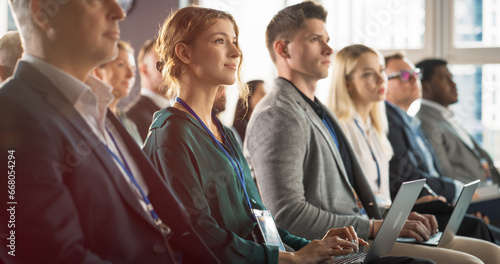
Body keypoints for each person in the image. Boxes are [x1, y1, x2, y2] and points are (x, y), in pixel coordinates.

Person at [140, 5, 402, 264]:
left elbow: (257, 220)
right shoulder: (172, 133)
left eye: (235, 41)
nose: (236, 52)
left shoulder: (226, 133)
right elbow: (197, 235)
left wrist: (313, 247)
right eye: (220, 41)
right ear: (184, 52)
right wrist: (293, 258)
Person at [244, 2, 500, 263]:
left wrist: (395, 216)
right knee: (470, 262)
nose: (329, 48)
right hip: (336, 248)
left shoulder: (317, 109)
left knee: (490, 252)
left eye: (327, 39)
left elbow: (353, 199)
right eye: (314, 39)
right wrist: (377, 225)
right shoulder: (278, 114)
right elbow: (287, 215)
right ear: (282, 48)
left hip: (361, 235)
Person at [0, 0, 216, 263]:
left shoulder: (95, 103)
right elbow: (55, 256)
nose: (118, 12)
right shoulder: (12, 114)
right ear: (42, 12)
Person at [384, 52, 500, 243]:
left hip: (441, 202)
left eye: (415, 74)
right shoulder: (390, 123)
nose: (414, 80)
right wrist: (458, 195)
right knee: (481, 229)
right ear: (384, 84)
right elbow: (409, 179)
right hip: (422, 209)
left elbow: (433, 173)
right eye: (404, 76)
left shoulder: (413, 124)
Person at [415, 58, 500, 185]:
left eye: (452, 78)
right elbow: (445, 172)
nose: (453, 84)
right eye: (444, 79)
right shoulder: (424, 122)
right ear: (425, 86)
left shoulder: (447, 116)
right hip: (472, 198)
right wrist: (483, 191)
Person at [92, 40, 142, 146]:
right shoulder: (89, 120)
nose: (130, 74)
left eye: (133, 69)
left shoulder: (130, 125)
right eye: (121, 65)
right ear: (97, 72)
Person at [126, 38, 173, 142]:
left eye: (171, 63)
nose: (169, 70)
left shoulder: (183, 111)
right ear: (144, 70)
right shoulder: (132, 119)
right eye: (161, 64)